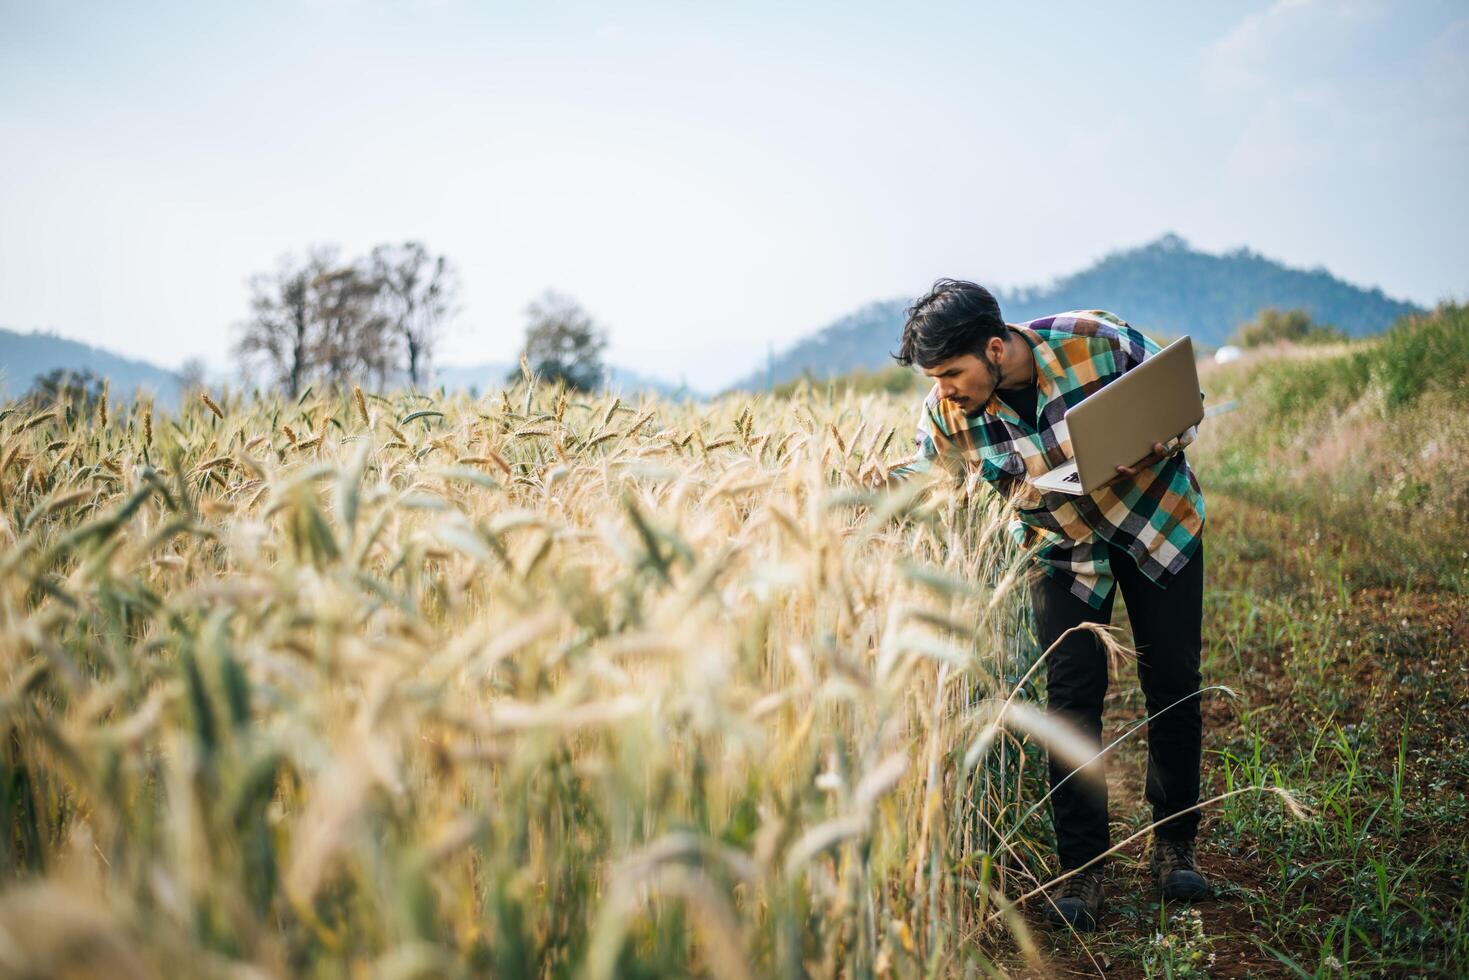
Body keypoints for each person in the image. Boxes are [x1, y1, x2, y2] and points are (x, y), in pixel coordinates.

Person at [878, 279, 1211, 933]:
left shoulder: (1099, 341)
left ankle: (1174, 846)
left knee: (1171, 682)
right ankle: (1081, 869)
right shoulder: (947, 412)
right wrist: (874, 484)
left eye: (952, 372)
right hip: (1060, 551)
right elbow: (929, 474)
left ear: (996, 349)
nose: (944, 388)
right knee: (1070, 701)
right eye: (934, 377)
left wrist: (1160, 443)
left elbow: (1186, 407)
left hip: (1155, 523)